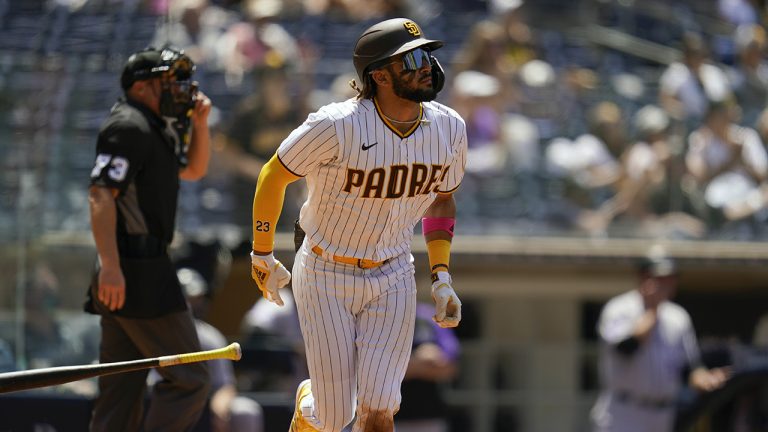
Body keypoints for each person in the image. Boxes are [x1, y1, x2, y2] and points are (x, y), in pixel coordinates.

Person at [248, 17, 467, 432]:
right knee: (334, 418)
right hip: (326, 269)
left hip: (393, 272)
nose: (427, 66)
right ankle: (310, 404)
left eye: (428, 55)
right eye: (414, 58)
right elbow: (274, 174)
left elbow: (442, 198)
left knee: (380, 409)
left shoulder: (449, 127)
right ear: (380, 75)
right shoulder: (337, 124)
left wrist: (441, 276)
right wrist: (262, 251)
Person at [85, 46, 213, 432]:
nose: (179, 89)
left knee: (121, 390)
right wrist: (110, 266)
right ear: (141, 87)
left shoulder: (154, 127)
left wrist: (202, 123)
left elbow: (193, 170)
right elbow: (101, 193)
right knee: (191, 379)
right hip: (135, 269)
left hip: (134, 267)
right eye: (168, 82)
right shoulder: (128, 125)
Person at [590, 253, 729, 432]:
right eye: (660, 278)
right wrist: (653, 309)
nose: (667, 284)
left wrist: (704, 379)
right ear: (643, 278)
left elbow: (691, 366)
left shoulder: (678, 317)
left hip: (663, 414)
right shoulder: (619, 308)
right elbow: (626, 348)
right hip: (624, 411)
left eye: (670, 278)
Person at [175, 268, 265, 432]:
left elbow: (225, 384)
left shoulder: (209, 336)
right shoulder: (158, 335)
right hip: (167, 402)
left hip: (204, 404)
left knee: (245, 411)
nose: (196, 304)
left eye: (198, 298)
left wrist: (221, 406)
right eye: (190, 299)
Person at [395, 303, 460, 432]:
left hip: (429, 416)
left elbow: (450, 367)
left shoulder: (429, 317)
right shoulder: (378, 316)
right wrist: (421, 362)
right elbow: (372, 368)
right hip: (387, 416)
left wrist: (406, 367)